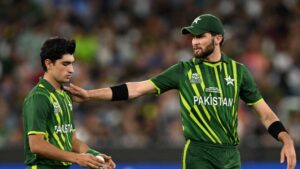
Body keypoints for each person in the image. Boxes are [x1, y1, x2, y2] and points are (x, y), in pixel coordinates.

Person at [64, 14, 297, 169]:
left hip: (230, 156)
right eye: (192, 37)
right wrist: (89, 94)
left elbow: (265, 114)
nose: (194, 42)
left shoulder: (239, 72)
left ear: (218, 38)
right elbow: (138, 88)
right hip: (198, 153)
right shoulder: (183, 70)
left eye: (200, 36)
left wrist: (285, 139)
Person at [22, 37, 116, 169]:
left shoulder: (65, 95)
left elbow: (71, 140)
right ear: (48, 64)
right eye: (65, 64)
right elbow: (36, 145)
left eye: (72, 64)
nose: (71, 70)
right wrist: (77, 158)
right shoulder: (39, 97)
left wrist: (94, 156)